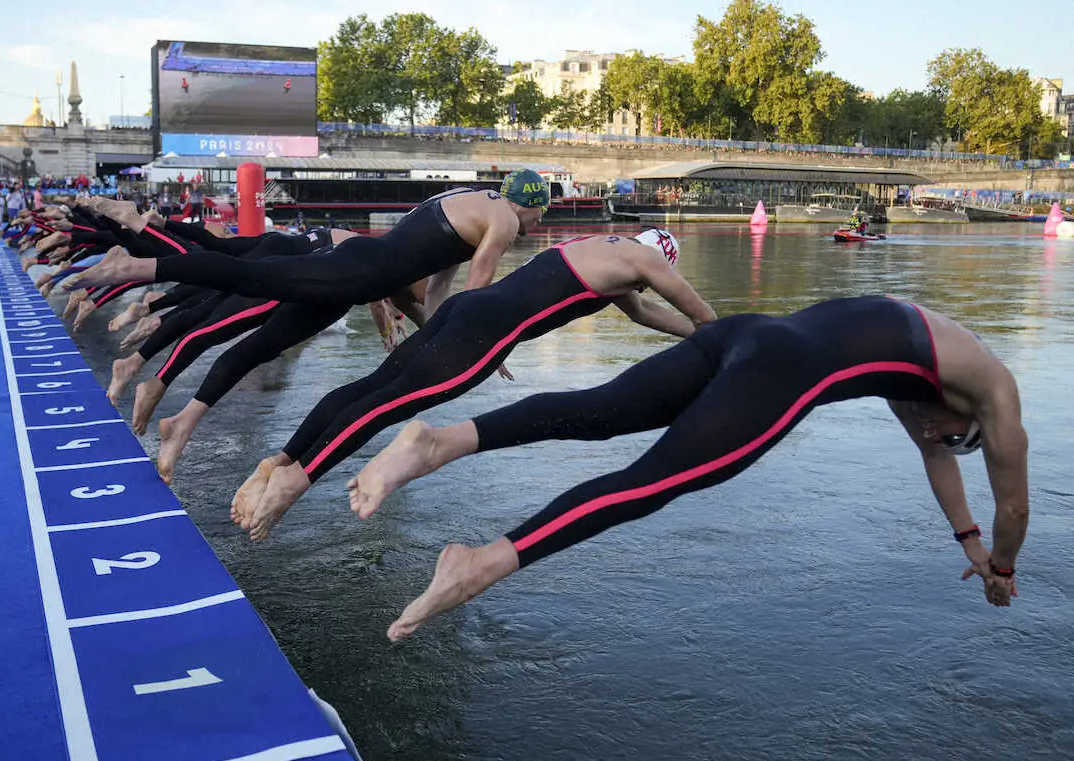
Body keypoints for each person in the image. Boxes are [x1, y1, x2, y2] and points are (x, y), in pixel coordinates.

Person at [343, 296, 1030, 641]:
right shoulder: (995, 394)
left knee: (597, 411)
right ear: (973, 421)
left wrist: (969, 544)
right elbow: (1016, 507)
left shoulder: (935, 370)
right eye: (952, 435)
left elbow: (936, 459)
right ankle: (480, 564)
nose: (934, 434)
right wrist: (1003, 566)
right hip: (779, 368)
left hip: (744, 333)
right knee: (652, 481)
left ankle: (435, 444)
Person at [231, 229, 717, 541]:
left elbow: (644, 312)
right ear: (661, 260)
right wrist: (722, 338)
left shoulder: (600, 247)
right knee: (387, 405)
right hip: (487, 332)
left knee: (371, 388)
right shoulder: (649, 260)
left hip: (466, 309)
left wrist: (692, 333)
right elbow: (699, 313)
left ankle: (279, 462)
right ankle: (297, 482)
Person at [62, 169, 551, 318]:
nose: (538, 222)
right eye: (541, 212)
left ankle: (143, 255)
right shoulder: (505, 221)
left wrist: (437, 332)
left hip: (361, 261)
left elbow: (441, 290)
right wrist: (483, 340)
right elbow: (479, 287)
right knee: (245, 275)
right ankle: (136, 265)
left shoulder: (469, 202)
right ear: (530, 204)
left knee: (244, 267)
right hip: (355, 274)